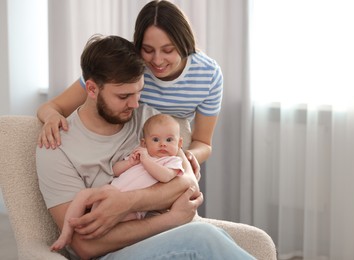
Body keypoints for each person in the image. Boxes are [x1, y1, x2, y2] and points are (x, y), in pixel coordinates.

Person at [36, 34, 255, 259]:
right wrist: (171, 218)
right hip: (111, 254)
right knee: (203, 238)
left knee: (211, 238)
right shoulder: (56, 146)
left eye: (139, 92)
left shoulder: (146, 119)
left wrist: (127, 202)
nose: (134, 103)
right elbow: (84, 246)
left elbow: (188, 184)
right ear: (91, 90)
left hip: (165, 240)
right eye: (124, 96)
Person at [37, 0, 223, 167]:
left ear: (185, 44)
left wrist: (184, 158)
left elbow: (204, 143)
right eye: (148, 50)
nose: (157, 61)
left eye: (168, 50)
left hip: (171, 155)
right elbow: (52, 106)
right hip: (127, 152)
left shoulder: (208, 75)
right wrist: (52, 116)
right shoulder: (130, 66)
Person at [50, 114, 185, 251]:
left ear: (179, 144)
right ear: (144, 143)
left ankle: (99, 241)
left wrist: (146, 161)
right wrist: (129, 163)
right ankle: (66, 232)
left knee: (118, 225)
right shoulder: (141, 155)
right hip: (110, 191)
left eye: (169, 140)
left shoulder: (172, 161)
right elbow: (115, 171)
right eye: (155, 139)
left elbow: (165, 176)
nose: (163, 144)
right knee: (83, 195)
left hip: (133, 209)